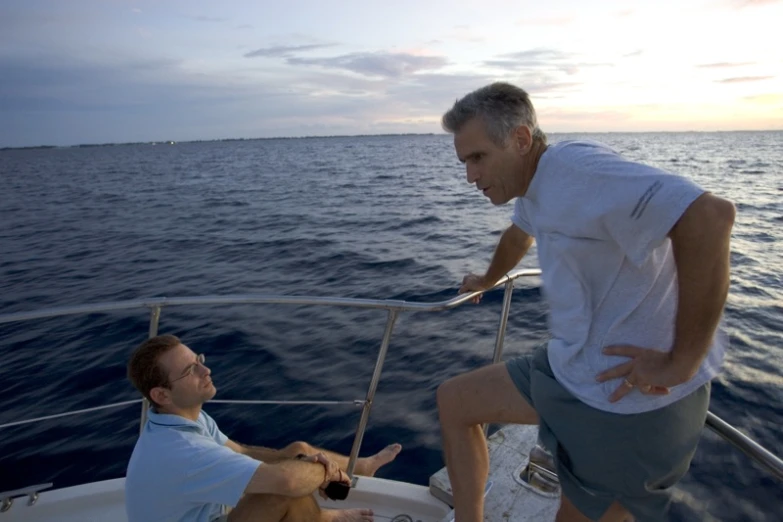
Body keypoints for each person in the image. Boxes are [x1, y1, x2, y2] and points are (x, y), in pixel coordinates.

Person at [435, 83, 735, 522]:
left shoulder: (577, 170)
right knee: (454, 402)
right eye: (464, 162)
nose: (470, 176)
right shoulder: (534, 185)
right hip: (570, 369)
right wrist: (488, 279)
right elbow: (520, 233)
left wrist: (682, 362)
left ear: (520, 140)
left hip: (627, 399)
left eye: (478, 158)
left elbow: (709, 217)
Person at [125, 334, 402, 522]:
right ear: (161, 395)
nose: (205, 371)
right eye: (190, 371)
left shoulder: (188, 419)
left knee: (297, 451)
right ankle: (327, 517)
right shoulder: (181, 451)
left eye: (199, 360)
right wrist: (322, 470)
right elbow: (287, 482)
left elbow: (242, 450)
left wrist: (303, 459)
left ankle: (362, 467)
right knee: (282, 490)